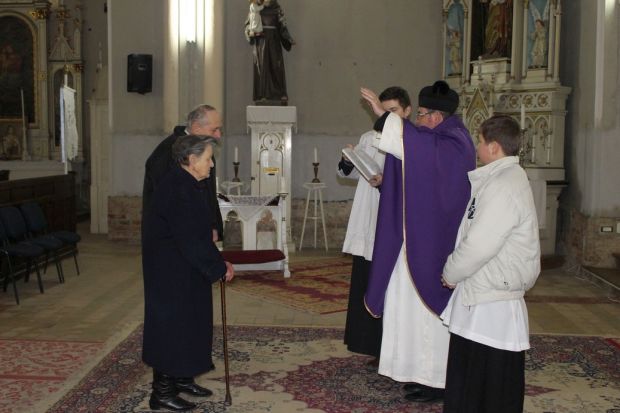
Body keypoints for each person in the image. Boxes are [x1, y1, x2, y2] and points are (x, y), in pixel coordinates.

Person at [362, 80, 476, 403]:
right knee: (409, 307)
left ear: (437, 117)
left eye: (422, 114)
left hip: (434, 247)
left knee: (429, 317)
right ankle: (419, 374)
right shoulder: (439, 139)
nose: (419, 120)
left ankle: (438, 380)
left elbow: (415, 147)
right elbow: (412, 150)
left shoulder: (454, 143)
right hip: (416, 239)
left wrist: (385, 117)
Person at [441, 115, 541, 412]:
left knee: (490, 377)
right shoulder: (501, 179)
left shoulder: (504, 185)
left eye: (481, 141)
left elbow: (480, 244)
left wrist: (451, 272)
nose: (477, 147)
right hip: (485, 290)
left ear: (494, 147)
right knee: (475, 372)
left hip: (492, 297)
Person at [142, 135, 235, 412]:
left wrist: (217, 261)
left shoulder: (187, 183)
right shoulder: (178, 189)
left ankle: (182, 379)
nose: (211, 164)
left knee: (190, 323)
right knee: (172, 328)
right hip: (171, 272)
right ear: (192, 160)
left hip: (184, 267)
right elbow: (190, 239)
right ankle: (162, 393)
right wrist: (218, 267)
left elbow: (198, 235)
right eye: (208, 159)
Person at [339, 86, 412, 361]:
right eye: (383, 111)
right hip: (367, 216)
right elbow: (347, 173)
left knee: (391, 286)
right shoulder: (369, 138)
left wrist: (385, 182)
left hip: (393, 223)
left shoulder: (413, 142)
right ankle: (368, 344)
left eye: (393, 111)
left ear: (407, 111)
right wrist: (348, 159)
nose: (387, 116)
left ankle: (391, 348)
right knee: (366, 280)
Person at [143, 104, 224, 242]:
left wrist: (213, 225)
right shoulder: (168, 152)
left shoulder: (201, 149)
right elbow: (171, 203)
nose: (218, 135)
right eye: (214, 129)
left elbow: (208, 193)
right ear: (196, 128)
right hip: (172, 238)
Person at [245, 0, 295, 104]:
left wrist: (288, 39)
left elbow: (282, 26)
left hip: (274, 41)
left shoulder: (277, 9)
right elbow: (248, 25)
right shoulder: (255, 7)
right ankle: (262, 95)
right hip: (261, 42)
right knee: (262, 67)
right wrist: (250, 32)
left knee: (276, 66)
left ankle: (279, 94)